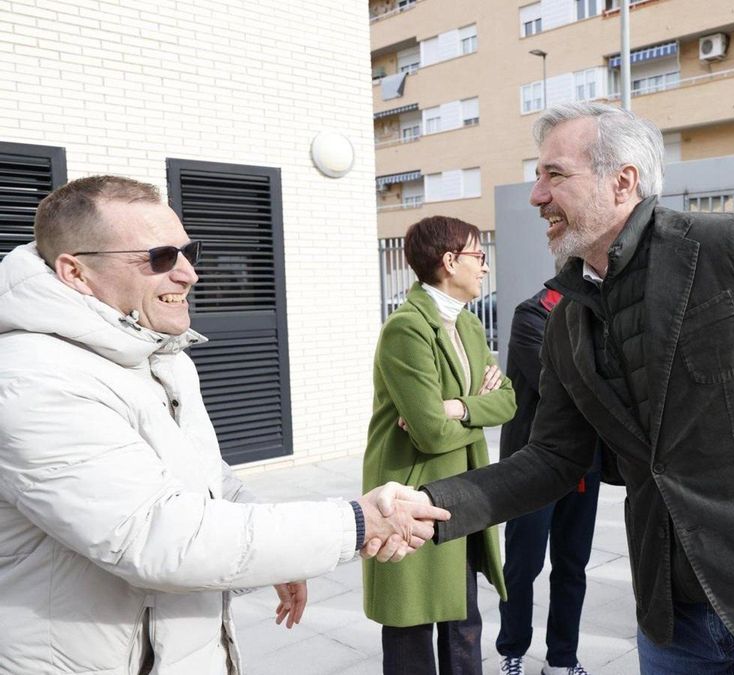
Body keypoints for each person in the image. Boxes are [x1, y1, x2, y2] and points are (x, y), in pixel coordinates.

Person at [406, 102, 734, 673]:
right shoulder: (568, 319)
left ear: (623, 181)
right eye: (537, 177)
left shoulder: (730, 249)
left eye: (554, 175)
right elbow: (552, 458)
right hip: (671, 615)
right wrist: (433, 504)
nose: (536, 196)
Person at [0, 175, 448, 674]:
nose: (189, 273)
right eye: (161, 257)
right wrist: (356, 522)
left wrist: (287, 555)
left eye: (188, 251)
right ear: (76, 272)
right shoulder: (30, 379)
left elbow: (211, 481)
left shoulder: (157, 354)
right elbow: (156, 536)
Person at [362, 216, 517, 675]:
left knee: (465, 624)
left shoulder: (468, 326)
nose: (485, 267)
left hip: (463, 491)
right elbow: (428, 433)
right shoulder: (406, 329)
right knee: (411, 628)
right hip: (411, 494)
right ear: (450, 262)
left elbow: (507, 400)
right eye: (479, 256)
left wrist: (458, 408)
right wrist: (470, 409)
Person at [496, 287, 601, 675]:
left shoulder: (596, 314)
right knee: (524, 565)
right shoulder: (532, 315)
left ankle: (562, 658)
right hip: (532, 465)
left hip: (583, 465)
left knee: (572, 565)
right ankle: (513, 650)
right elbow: (558, 386)